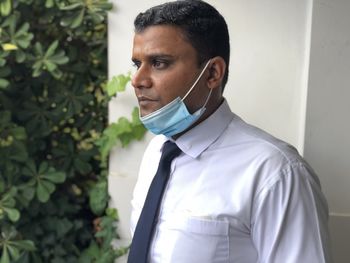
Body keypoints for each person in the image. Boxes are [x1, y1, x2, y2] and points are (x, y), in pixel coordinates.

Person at [128, 0, 332, 262]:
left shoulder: (275, 173)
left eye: (159, 63)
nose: (138, 80)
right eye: (137, 64)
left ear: (213, 73)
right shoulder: (157, 151)